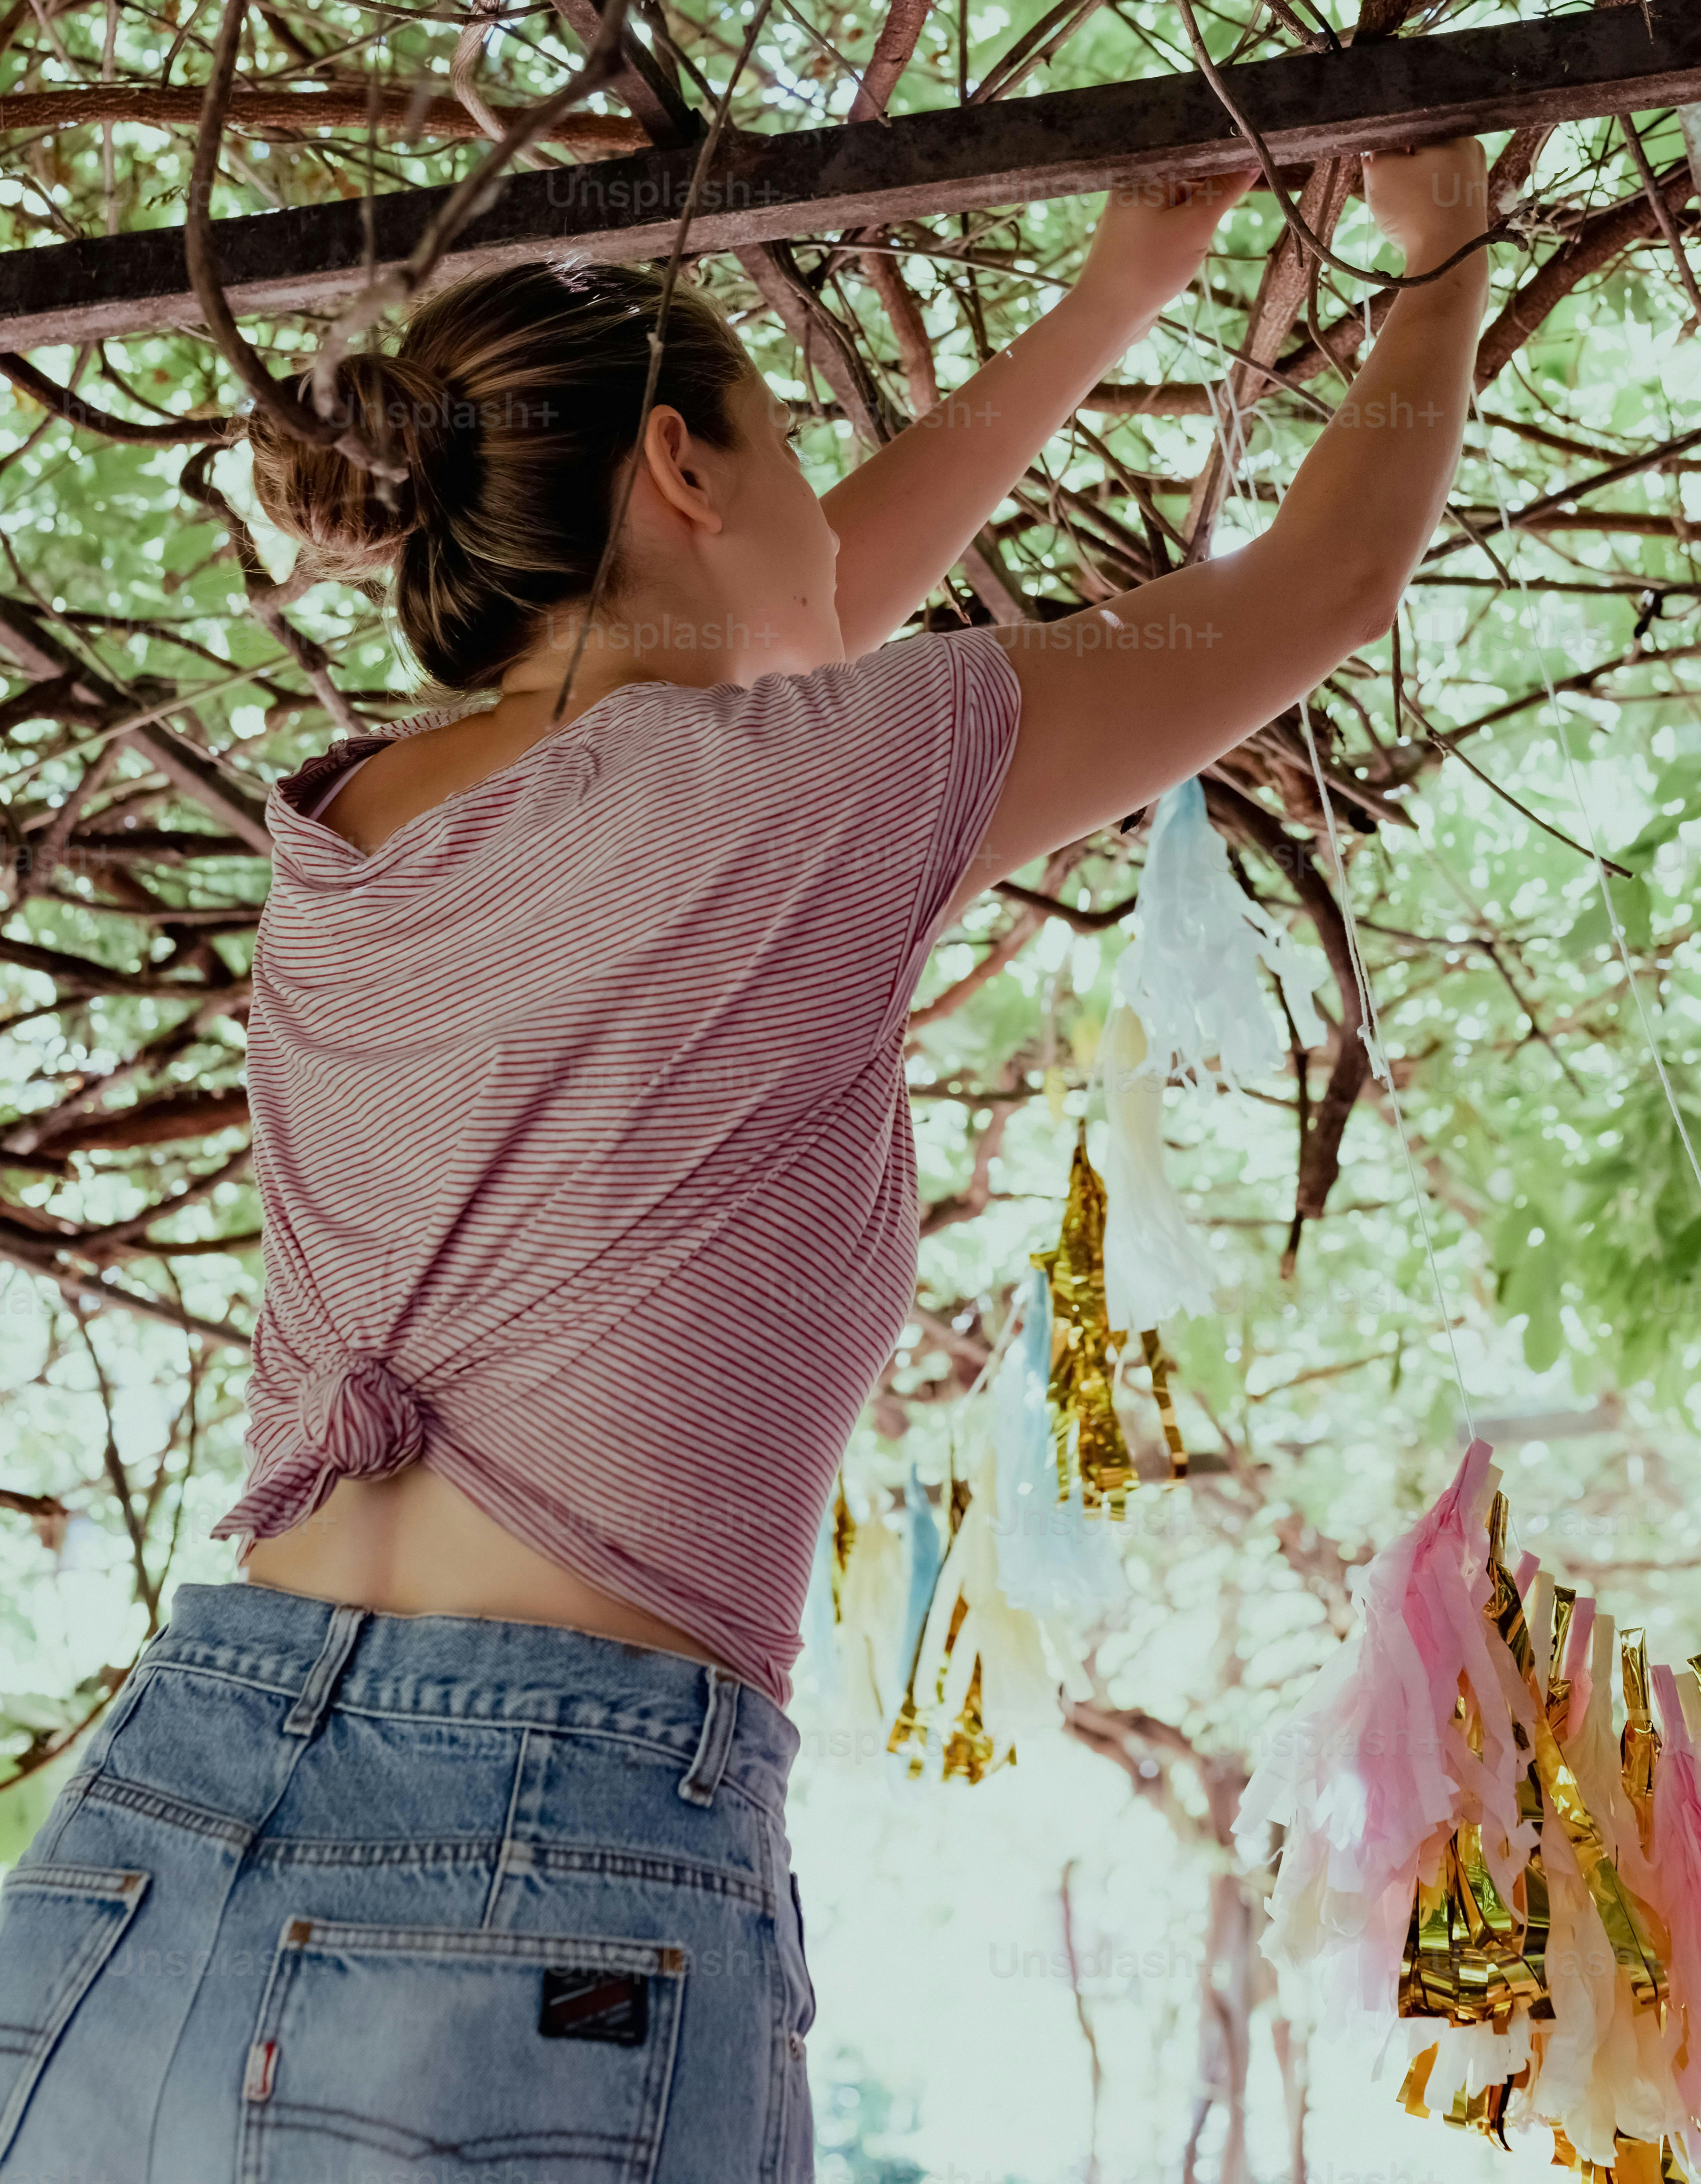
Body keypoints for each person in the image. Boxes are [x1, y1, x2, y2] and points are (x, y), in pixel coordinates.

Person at [0, 140, 1487, 2181]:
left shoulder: (345, 846)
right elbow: (1313, 589)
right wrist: (1444, 244)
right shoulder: (773, 798)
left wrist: (1108, 302)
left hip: (152, 1824)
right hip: (525, 1847)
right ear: (687, 474)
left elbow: (772, 649)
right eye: (784, 453)